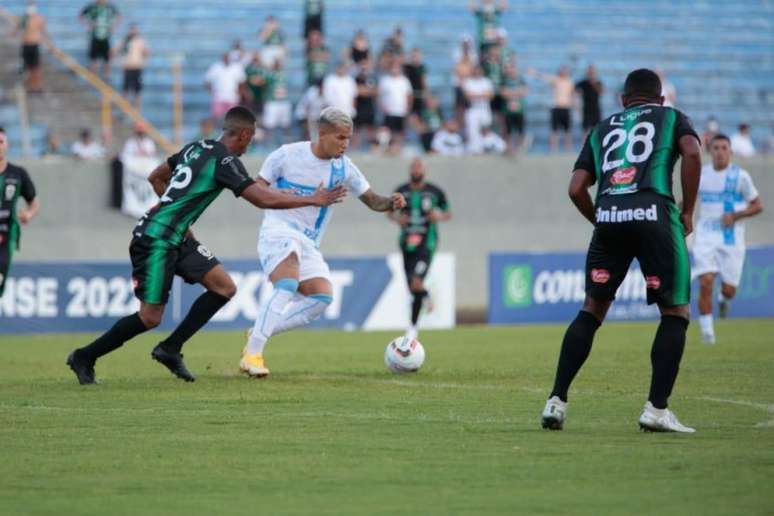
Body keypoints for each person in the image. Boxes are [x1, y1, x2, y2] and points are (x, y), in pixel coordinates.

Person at [66, 107, 346, 385]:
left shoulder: (196, 148)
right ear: (245, 134)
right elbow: (261, 200)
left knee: (224, 287)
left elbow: (156, 176)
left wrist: (179, 217)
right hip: (156, 239)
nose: (250, 145)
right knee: (150, 317)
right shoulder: (225, 162)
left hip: (177, 237)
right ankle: (84, 356)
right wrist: (314, 199)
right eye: (251, 139)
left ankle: (170, 348)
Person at [540, 68, 702, 433]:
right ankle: (656, 409)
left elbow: (575, 188)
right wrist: (688, 209)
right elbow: (692, 152)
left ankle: (556, 401)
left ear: (622, 100)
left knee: (593, 308)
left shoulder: (601, 129)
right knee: (675, 311)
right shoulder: (671, 117)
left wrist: (601, 219)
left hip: (611, 213)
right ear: (661, 100)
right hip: (655, 215)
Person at [240, 107, 406, 378]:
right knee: (287, 283)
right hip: (278, 230)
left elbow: (373, 200)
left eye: (349, 139)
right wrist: (303, 197)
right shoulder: (286, 155)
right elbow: (256, 191)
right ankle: (253, 354)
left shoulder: (344, 168)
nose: (345, 144)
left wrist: (391, 202)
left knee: (321, 298)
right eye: (340, 138)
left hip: (309, 241)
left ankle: (260, 329)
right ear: (323, 134)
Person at [693, 134, 763, 344]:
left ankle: (724, 299)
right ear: (710, 151)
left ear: (731, 151)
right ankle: (708, 335)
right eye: (716, 148)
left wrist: (735, 216)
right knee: (705, 282)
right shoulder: (700, 175)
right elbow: (688, 199)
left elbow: (757, 205)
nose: (720, 152)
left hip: (731, 239)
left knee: (729, 289)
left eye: (724, 148)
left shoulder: (740, 177)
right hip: (705, 235)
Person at [389, 159, 450, 341]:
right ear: (410, 170)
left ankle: (424, 303)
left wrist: (438, 215)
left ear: (425, 171)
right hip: (406, 243)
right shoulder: (401, 190)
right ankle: (414, 327)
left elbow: (447, 213)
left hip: (427, 243)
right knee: (412, 289)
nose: (416, 170)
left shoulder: (435, 192)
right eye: (413, 167)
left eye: (419, 167)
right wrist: (397, 219)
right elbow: (389, 211)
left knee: (416, 282)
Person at [0, 127, 40, 299]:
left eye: (1, 142)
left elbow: (34, 203)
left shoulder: (18, 174)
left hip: (6, 235)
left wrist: (29, 214)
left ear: (7, 145)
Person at [533, 65, 575, 152]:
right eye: (562, 70)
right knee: (554, 130)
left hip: (566, 108)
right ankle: (553, 149)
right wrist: (536, 73)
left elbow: (573, 95)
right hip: (556, 107)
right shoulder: (556, 80)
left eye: (565, 71)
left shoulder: (570, 82)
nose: (564, 72)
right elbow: (545, 78)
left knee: (567, 131)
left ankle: (568, 149)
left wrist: (574, 104)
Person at [79, 0, 121, 78]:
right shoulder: (92, 7)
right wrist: (88, 24)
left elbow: (119, 16)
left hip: (105, 37)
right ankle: (93, 79)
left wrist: (114, 26)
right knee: (93, 60)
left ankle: (106, 78)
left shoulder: (109, 7)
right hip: (94, 37)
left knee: (107, 60)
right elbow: (81, 16)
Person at [378, 63, 413, 154]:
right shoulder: (385, 80)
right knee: (386, 131)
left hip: (401, 111)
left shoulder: (404, 81)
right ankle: (385, 148)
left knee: (399, 132)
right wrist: (382, 107)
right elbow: (380, 95)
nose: (395, 70)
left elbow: (409, 95)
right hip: (388, 111)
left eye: (396, 68)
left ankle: (397, 149)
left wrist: (408, 108)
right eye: (393, 68)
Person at [13, 1, 48, 93]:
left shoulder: (38, 19)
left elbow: (44, 31)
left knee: (35, 67)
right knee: (29, 67)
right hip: (26, 45)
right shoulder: (25, 19)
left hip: (33, 45)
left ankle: (36, 86)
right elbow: (15, 31)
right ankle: (31, 86)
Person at [116, 23, 150, 110]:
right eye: (132, 30)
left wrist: (144, 61)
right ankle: (124, 110)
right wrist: (121, 61)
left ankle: (137, 110)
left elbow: (146, 52)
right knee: (125, 90)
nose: (133, 31)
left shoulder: (140, 41)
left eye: (135, 30)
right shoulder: (125, 41)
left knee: (137, 91)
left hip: (137, 67)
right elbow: (115, 50)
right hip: (128, 67)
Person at [462, 65, 494, 154]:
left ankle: (486, 148)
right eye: (475, 71)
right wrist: (483, 94)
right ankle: (475, 150)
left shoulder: (487, 81)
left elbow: (490, 95)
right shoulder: (468, 82)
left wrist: (476, 95)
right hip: (472, 109)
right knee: (472, 131)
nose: (477, 73)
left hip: (484, 109)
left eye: (479, 71)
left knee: (486, 129)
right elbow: (468, 96)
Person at [204, 53, 246, 120]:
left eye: (228, 57)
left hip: (232, 96)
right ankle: (216, 130)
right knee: (216, 116)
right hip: (219, 96)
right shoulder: (216, 67)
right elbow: (207, 81)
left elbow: (242, 82)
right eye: (225, 57)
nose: (226, 58)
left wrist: (240, 93)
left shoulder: (236, 67)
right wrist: (211, 91)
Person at [262, 60, 292, 146]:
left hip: (283, 102)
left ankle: (286, 143)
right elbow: (263, 83)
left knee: (286, 124)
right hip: (272, 101)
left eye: (279, 64)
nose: (278, 65)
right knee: (269, 125)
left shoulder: (285, 75)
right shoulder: (269, 74)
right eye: (276, 64)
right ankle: (268, 144)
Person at [500, 62, 527, 153]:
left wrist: (511, 92)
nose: (511, 71)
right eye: (509, 69)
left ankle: (519, 148)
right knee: (508, 131)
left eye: (512, 69)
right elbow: (503, 93)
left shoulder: (521, 79)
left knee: (520, 130)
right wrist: (516, 92)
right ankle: (510, 148)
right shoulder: (504, 80)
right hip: (508, 110)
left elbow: (524, 92)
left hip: (519, 110)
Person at [353, 59, 378, 151]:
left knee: (371, 131)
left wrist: (366, 90)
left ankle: (373, 150)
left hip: (370, 108)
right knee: (357, 131)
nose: (364, 68)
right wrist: (369, 91)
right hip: (359, 108)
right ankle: (355, 150)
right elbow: (358, 91)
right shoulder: (357, 78)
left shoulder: (373, 78)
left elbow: (376, 91)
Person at [575, 64, 604, 138]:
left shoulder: (598, 83)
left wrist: (593, 83)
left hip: (595, 108)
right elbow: (574, 89)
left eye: (592, 72)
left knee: (597, 129)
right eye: (589, 72)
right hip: (586, 108)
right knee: (585, 129)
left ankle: (596, 146)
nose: (591, 73)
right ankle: (585, 145)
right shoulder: (583, 82)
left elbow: (601, 92)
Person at [403, 48, 428, 120]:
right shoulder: (407, 67)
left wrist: (426, 93)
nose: (415, 58)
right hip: (409, 94)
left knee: (419, 115)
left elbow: (424, 82)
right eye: (414, 56)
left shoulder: (422, 67)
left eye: (417, 56)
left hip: (419, 95)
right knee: (409, 115)